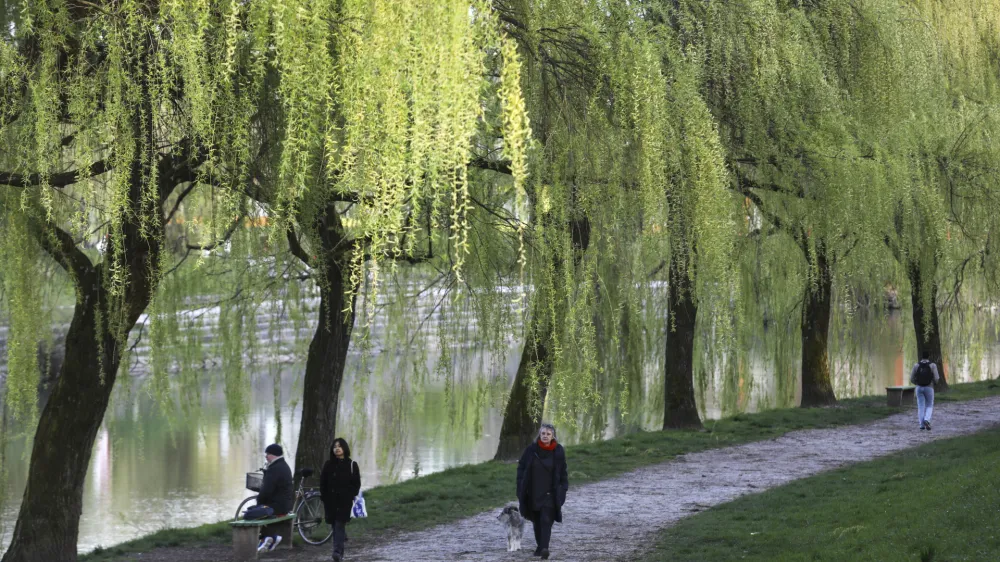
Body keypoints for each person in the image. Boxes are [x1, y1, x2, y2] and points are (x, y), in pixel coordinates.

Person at [516, 423, 568, 560]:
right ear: (539, 435)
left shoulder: (558, 451)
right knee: (537, 521)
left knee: (546, 519)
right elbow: (521, 467)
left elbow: (563, 471)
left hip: (551, 492)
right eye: (543, 433)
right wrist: (520, 486)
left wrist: (563, 488)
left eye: (548, 434)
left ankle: (545, 548)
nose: (545, 436)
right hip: (533, 491)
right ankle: (540, 546)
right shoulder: (531, 450)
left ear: (553, 436)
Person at [320, 438, 362, 562]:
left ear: (344, 448)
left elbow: (356, 484)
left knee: (339, 524)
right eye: (334, 447)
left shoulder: (352, 464)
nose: (337, 449)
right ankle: (340, 549)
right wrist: (325, 497)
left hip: (345, 502)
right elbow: (323, 482)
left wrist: (350, 494)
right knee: (335, 526)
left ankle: (337, 552)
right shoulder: (328, 465)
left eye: (339, 446)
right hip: (331, 501)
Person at [256, 443, 294, 551]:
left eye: (267, 454)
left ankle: (267, 538)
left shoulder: (274, 468)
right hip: (285, 505)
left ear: (273, 455)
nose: (266, 456)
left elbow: (266, 490)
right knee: (261, 509)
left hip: (277, 506)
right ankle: (268, 538)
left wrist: (258, 502)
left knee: (253, 513)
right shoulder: (284, 465)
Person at [910, 351, 941, 430]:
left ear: (922, 356)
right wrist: (934, 384)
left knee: (920, 406)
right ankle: (927, 419)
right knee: (929, 404)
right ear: (928, 356)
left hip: (919, 388)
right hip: (929, 387)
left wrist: (917, 383)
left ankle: (921, 425)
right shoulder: (932, 365)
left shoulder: (916, 365)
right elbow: (936, 378)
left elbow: (911, 378)